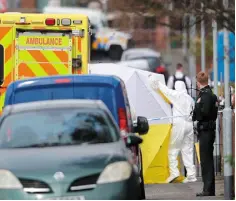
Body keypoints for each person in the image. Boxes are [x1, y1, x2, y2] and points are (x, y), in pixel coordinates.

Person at [149, 76, 197, 183]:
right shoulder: (190, 98)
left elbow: (166, 91)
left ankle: (174, 172)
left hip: (179, 123)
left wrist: (155, 82)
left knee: (173, 149)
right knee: (187, 150)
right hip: (189, 125)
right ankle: (191, 175)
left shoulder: (177, 95)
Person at [192, 71, 218, 197]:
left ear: (198, 82)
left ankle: (207, 189)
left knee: (206, 161)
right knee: (206, 160)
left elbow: (204, 112)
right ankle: (209, 188)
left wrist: (197, 105)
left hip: (206, 130)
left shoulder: (206, 95)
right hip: (207, 130)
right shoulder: (209, 93)